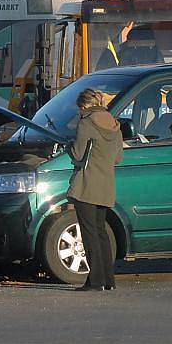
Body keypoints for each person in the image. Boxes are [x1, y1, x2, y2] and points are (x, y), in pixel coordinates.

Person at [67, 88, 124, 291]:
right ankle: (108, 280)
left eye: (80, 108)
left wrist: (68, 147)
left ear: (85, 105)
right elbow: (118, 158)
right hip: (106, 186)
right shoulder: (115, 124)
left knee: (89, 233)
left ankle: (95, 280)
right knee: (101, 233)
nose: (80, 111)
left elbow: (78, 154)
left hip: (86, 186)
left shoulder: (86, 123)